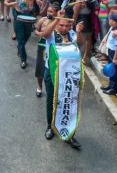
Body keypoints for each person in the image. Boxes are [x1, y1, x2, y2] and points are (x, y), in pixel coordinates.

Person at [37, 9, 82, 149]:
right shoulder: (52, 35)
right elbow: (44, 34)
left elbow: (79, 45)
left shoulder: (72, 34)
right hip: (52, 72)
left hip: (69, 76)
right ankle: (50, 127)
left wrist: (79, 31)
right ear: (57, 25)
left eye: (67, 25)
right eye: (62, 25)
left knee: (68, 101)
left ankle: (69, 133)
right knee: (51, 100)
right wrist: (57, 19)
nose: (64, 28)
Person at [4, 0, 41, 67]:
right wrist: (12, 3)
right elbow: (6, 2)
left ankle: (20, 48)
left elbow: (38, 1)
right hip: (19, 16)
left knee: (27, 35)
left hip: (29, 16)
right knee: (20, 38)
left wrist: (39, 2)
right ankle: (23, 60)